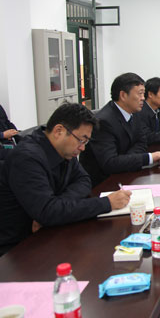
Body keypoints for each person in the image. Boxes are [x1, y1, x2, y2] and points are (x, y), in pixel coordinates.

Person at [0, 103, 132, 255]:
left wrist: (57, 206)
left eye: (86, 142)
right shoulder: (26, 158)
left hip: (48, 232)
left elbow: (84, 180)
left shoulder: (64, 150)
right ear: (59, 131)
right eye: (81, 140)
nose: (82, 148)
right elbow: (48, 211)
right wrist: (106, 203)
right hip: (17, 248)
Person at [79, 73, 160, 186]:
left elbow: (142, 141)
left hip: (126, 173)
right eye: (140, 93)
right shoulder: (104, 121)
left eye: (143, 93)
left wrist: (127, 159)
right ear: (123, 95)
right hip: (104, 183)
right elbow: (110, 163)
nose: (143, 98)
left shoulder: (134, 113)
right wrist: (149, 158)